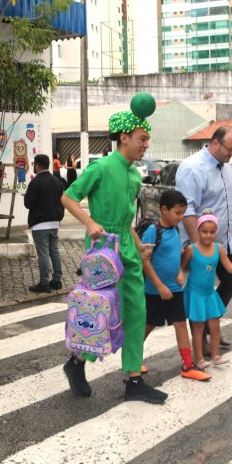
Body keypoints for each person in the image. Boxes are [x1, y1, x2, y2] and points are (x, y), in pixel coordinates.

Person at [60, 94, 168, 404]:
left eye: (147, 139)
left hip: (128, 250)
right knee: (100, 310)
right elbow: (67, 197)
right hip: (103, 250)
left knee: (136, 311)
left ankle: (133, 378)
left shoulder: (135, 173)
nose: (146, 144)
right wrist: (90, 223)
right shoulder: (102, 168)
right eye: (142, 138)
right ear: (124, 137)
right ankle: (77, 362)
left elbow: (127, 220)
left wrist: (138, 245)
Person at [175, 125, 232, 351]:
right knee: (199, 290)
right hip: (201, 243)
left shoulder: (225, 167)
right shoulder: (193, 168)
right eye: (229, 149)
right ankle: (202, 333)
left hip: (225, 240)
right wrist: (198, 247)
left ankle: (209, 325)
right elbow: (188, 210)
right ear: (215, 143)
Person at [141, 190, 211, 381]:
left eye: (183, 213)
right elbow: (144, 260)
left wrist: (180, 270)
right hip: (156, 290)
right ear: (164, 210)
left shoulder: (175, 229)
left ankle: (188, 366)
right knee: (149, 324)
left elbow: (173, 255)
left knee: (180, 324)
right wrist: (158, 285)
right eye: (178, 213)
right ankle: (133, 358)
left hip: (174, 288)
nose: (181, 218)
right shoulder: (153, 231)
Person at [182, 210, 232, 368]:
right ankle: (200, 359)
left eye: (212, 232)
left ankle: (216, 355)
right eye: (204, 232)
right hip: (195, 294)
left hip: (209, 294)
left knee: (215, 325)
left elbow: (229, 267)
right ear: (198, 231)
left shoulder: (219, 248)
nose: (208, 235)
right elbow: (182, 267)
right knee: (198, 327)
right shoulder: (191, 249)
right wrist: (179, 276)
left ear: (216, 232)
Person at [24, 154, 64, 293]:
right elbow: (62, 200)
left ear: (37, 165)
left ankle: (44, 283)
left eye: (34, 164)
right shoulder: (56, 181)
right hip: (54, 222)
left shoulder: (35, 182)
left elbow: (28, 203)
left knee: (43, 253)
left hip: (40, 224)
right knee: (54, 251)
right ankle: (57, 280)